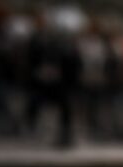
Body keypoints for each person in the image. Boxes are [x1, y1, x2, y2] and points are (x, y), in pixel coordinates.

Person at [26, 10, 80, 147]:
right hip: (53, 83)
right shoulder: (47, 44)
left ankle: (64, 135)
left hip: (63, 83)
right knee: (49, 107)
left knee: (64, 110)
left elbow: (73, 64)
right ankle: (50, 133)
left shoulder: (66, 46)